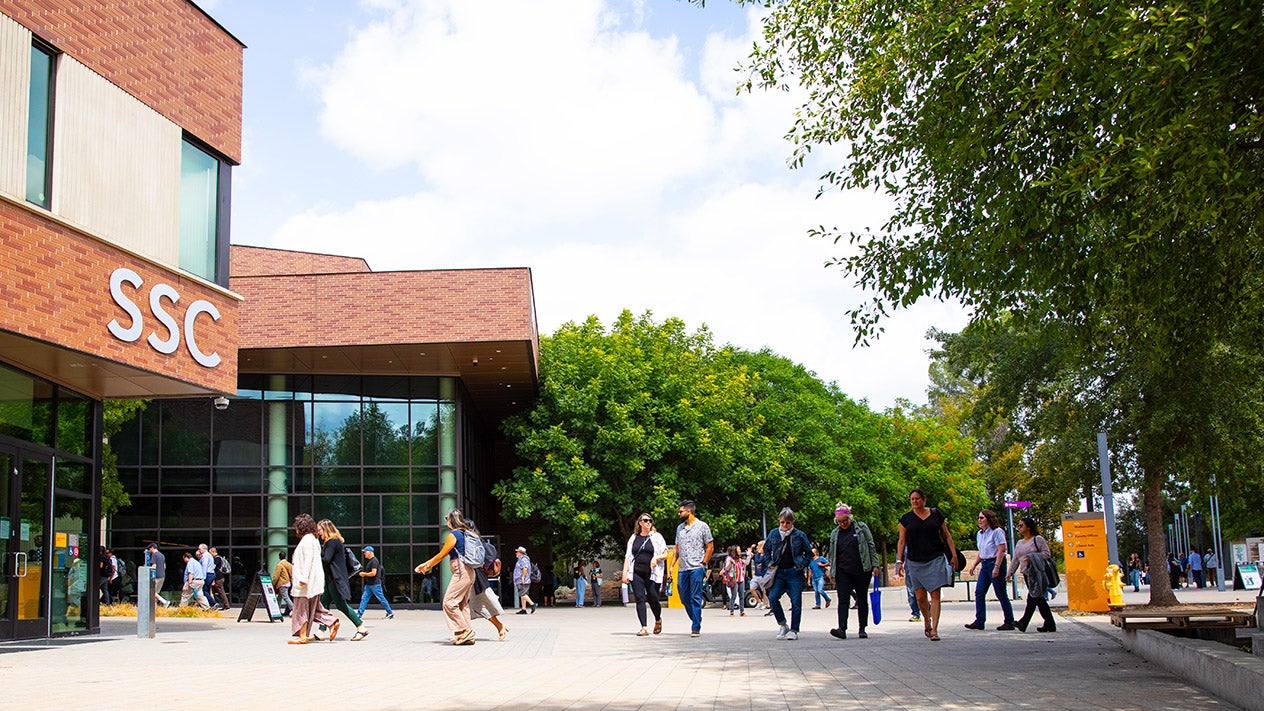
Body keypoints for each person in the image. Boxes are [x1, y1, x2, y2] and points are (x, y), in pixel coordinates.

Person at [895, 488, 957, 642]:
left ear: (924, 499)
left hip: (934, 558)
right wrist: (899, 561)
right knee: (920, 597)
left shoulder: (936, 514)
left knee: (935, 594)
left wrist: (953, 554)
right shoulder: (906, 519)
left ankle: (935, 629)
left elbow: (946, 535)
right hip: (915, 560)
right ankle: (926, 620)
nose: (915, 501)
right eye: (912, 499)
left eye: (917, 498)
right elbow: (901, 541)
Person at [415, 508, 480, 645]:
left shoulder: (454, 534)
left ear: (451, 520)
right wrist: (427, 564)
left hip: (461, 570)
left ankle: (465, 630)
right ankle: (464, 636)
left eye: (446, 519)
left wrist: (427, 565)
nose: (446, 522)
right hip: (469, 571)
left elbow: (442, 554)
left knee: (449, 602)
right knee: (462, 605)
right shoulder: (466, 532)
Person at [826, 503, 881, 640]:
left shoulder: (861, 528)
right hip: (843, 571)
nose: (843, 524)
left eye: (845, 521)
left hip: (862, 569)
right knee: (843, 600)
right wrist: (832, 572)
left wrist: (875, 564)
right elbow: (833, 554)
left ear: (850, 517)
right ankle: (842, 628)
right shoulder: (835, 534)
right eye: (840, 522)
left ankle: (862, 628)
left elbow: (870, 545)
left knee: (862, 599)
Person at [289, 513, 339, 644]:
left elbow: (307, 561)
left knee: (301, 610)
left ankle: (302, 636)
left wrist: (303, 578)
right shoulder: (313, 540)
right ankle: (331, 622)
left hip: (306, 582)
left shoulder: (306, 541)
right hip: (313, 582)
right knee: (313, 609)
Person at [763, 507, 812, 641]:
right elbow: (766, 549)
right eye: (782, 522)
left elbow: (809, 553)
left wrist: (802, 565)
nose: (784, 525)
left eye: (787, 523)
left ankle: (794, 629)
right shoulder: (774, 534)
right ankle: (783, 624)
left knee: (796, 601)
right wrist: (769, 562)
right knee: (772, 598)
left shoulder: (799, 535)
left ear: (792, 522)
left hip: (794, 571)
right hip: (778, 571)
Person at [316, 519, 369, 641]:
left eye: (320, 530)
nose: (319, 533)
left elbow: (326, 560)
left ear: (326, 529)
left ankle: (361, 627)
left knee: (341, 605)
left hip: (335, 579)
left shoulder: (332, 542)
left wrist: (315, 554)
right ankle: (321, 631)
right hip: (332, 579)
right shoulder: (334, 542)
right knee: (324, 604)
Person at [964, 509, 1015, 631]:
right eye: (979, 518)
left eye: (982, 518)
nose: (979, 520)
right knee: (979, 592)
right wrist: (974, 565)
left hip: (995, 562)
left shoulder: (997, 532)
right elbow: (982, 552)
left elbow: (1001, 550)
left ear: (989, 519)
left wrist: (997, 567)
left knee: (1001, 593)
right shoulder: (980, 534)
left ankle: (1009, 621)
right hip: (985, 564)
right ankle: (979, 620)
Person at [1006, 516, 1057, 633]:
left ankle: (1023, 623)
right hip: (1026, 574)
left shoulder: (1037, 539)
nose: (1019, 528)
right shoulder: (1019, 543)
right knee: (1039, 599)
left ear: (1028, 527)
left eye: (1021, 525)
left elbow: (1046, 553)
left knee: (1033, 597)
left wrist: (1033, 557)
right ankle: (1050, 624)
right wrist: (1010, 573)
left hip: (1037, 574)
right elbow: (1016, 559)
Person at [674, 500, 715, 638]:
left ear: (689, 511)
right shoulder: (679, 528)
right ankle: (696, 618)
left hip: (697, 566)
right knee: (684, 596)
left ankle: (695, 626)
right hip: (682, 568)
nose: (679, 514)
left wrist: (704, 563)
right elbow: (677, 549)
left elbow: (710, 546)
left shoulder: (702, 526)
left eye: (681, 511)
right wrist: (672, 565)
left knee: (695, 596)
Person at [623, 513, 668, 635]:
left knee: (653, 597)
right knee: (640, 598)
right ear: (640, 523)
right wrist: (624, 572)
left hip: (652, 573)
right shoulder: (634, 538)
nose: (648, 522)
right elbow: (628, 556)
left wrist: (656, 558)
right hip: (636, 572)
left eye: (650, 520)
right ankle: (644, 627)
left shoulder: (657, 537)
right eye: (645, 520)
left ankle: (658, 619)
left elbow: (666, 554)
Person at [466, 519, 508, 641]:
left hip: (476, 579)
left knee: (478, 605)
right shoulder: (476, 542)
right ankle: (465, 632)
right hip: (474, 578)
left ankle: (466, 632)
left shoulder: (474, 543)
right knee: (472, 606)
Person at [356, 546, 394, 619]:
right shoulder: (371, 561)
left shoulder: (374, 561)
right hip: (369, 585)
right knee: (364, 598)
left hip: (375, 584)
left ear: (370, 552)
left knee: (381, 598)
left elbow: (373, 573)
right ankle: (359, 614)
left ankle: (390, 612)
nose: (364, 554)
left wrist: (364, 574)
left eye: (365, 552)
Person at [722, 545, 746, 617]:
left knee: (742, 596)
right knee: (734, 595)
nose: (740, 551)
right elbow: (726, 569)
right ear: (735, 551)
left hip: (740, 579)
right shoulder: (730, 559)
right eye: (739, 550)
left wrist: (749, 556)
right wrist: (731, 563)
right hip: (734, 579)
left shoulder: (739, 559)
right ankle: (731, 611)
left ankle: (742, 611)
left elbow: (745, 564)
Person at [145, 542, 171, 608]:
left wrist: (148, 570)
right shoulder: (162, 555)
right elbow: (164, 566)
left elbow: (154, 566)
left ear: (152, 548)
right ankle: (154, 608)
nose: (149, 550)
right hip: (162, 575)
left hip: (156, 576)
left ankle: (164, 602)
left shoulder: (154, 555)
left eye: (149, 549)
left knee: (152, 591)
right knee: (156, 593)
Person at [513, 547, 538, 614]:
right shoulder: (522, 559)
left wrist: (523, 577)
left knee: (522, 593)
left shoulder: (523, 559)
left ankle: (533, 604)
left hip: (522, 580)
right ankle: (523, 609)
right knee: (523, 594)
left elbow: (525, 568)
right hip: (523, 580)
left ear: (521, 553)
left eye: (517, 552)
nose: (516, 553)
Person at [749, 540, 771, 613]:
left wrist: (761, 554)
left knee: (764, 590)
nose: (758, 548)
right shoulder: (757, 554)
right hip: (756, 575)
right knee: (752, 588)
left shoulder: (765, 556)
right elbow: (752, 557)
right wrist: (751, 549)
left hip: (763, 575)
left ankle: (765, 603)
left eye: (759, 546)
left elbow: (759, 561)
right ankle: (759, 601)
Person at [272, 551, 294, 616]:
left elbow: (276, 577)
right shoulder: (289, 564)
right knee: (280, 597)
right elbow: (291, 574)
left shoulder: (279, 565)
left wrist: (272, 584)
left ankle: (294, 609)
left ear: (279, 557)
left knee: (285, 597)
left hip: (282, 583)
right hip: (288, 583)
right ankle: (277, 610)